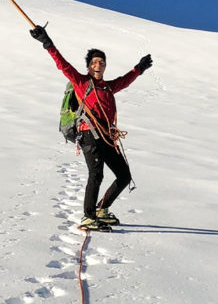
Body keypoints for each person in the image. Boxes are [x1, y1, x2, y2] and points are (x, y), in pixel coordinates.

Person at [30, 24, 152, 231]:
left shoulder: (108, 86)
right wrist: (47, 42)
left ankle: (102, 210)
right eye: (94, 62)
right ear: (88, 66)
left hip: (107, 138)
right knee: (96, 174)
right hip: (89, 134)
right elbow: (63, 65)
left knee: (124, 176)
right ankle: (88, 217)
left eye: (102, 62)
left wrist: (138, 69)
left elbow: (125, 80)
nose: (98, 65)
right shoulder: (82, 82)